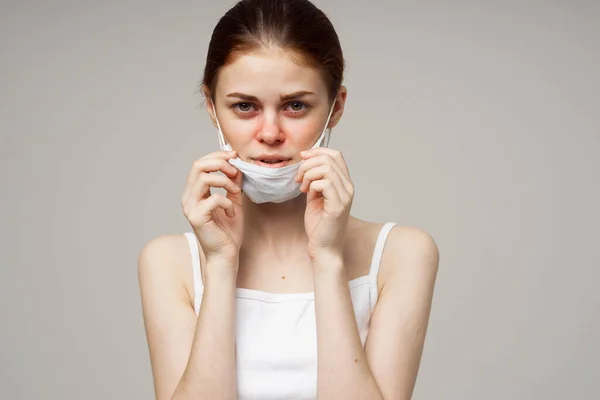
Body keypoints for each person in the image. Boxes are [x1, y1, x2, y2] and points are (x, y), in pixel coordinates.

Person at [137, 0, 440, 399]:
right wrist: (221, 263)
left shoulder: (402, 254)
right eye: (244, 106)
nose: (270, 133)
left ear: (336, 108)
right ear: (212, 107)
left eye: (295, 105)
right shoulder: (169, 262)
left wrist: (328, 258)